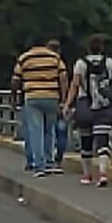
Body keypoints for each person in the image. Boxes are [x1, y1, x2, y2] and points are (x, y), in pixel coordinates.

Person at [64, 35, 112, 187]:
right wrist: (111, 99)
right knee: (103, 142)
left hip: (85, 106)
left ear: (88, 48)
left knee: (86, 141)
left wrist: (67, 104)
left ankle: (87, 175)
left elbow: (75, 85)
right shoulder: (109, 62)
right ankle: (102, 173)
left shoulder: (80, 63)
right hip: (104, 107)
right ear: (102, 48)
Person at [12, 38, 68, 178]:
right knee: (49, 131)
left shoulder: (24, 57)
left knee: (36, 131)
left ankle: (39, 166)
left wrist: (15, 97)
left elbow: (16, 80)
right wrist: (64, 98)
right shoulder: (54, 57)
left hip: (32, 96)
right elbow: (63, 77)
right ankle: (50, 162)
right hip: (52, 96)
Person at [47, 39, 70, 171]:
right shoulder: (59, 63)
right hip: (58, 100)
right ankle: (58, 158)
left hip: (44, 98)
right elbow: (64, 81)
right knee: (61, 129)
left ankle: (47, 157)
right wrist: (65, 100)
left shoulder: (43, 63)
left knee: (47, 130)